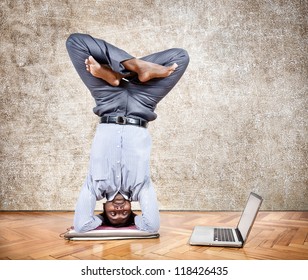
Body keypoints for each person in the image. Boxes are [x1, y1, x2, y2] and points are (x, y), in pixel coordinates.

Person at [66, 33, 189, 233]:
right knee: (180, 57)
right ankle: (131, 69)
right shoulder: (141, 188)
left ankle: (118, 73)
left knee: (76, 42)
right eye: (124, 213)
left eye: (112, 214)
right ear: (132, 210)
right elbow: (151, 226)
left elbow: (81, 226)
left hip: (108, 100)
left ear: (104, 209)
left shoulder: (94, 187)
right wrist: (127, 222)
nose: (119, 209)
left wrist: (99, 221)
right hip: (142, 102)